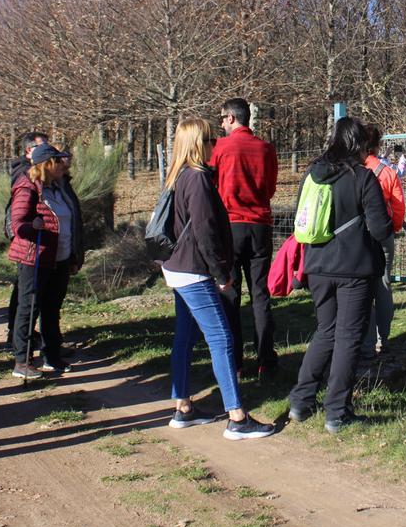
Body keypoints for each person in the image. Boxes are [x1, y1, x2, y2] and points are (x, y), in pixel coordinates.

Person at [161, 117, 275, 441]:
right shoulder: (196, 179)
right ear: (200, 143)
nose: (216, 144)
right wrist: (221, 272)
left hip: (178, 268)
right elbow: (205, 232)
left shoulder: (179, 175)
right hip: (194, 271)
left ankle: (182, 407)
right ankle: (237, 416)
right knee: (222, 338)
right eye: (212, 139)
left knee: (184, 337)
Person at [288, 117, 393, 434]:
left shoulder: (313, 174)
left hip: (317, 265)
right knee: (348, 337)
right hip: (354, 268)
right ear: (358, 144)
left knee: (326, 331)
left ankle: (301, 401)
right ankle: (337, 412)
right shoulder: (363, 178)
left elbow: (301, 217)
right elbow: (380, 228)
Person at [208, 97, 279, 377]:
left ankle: (235, 363)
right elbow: (271, 188)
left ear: (232, 118)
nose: (222, 123)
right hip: (260, 225)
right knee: (260, 295)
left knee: (230, 295)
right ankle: (265, 359)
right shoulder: (265, 149)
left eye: (223, 118)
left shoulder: (221, 148)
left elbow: (211, 184)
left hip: (231, 225)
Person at [7, 143, 79, 378]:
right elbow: (17, 224)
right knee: (29, 307)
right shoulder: (28, 187)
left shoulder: (59, 187)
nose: (62, 164)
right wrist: (32, 225)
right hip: (34, 257)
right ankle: (22, 360)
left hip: (60, 258)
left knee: (52, 308)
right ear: (46, 165)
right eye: (57, 161)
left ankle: (52, 356)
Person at [362, 125, 405, 356]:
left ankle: (367, 342)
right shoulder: (387, 172)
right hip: (384, 235)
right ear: (377, 146)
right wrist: (394, 228)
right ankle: (382, 338)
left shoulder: (354, 170)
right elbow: (398, 206)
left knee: (363, 287)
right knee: (384, 282)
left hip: (360, 237)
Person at [6, 131, 48, 349]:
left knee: (25, 291)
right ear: (28, 150)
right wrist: (30, 226)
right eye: (42, 147)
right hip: (28, 242)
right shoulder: (25, 174)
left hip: (35, 241)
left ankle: (18, 335)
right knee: (26, 296)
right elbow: (19, 215)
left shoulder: (40, 173)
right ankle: (19, 343)